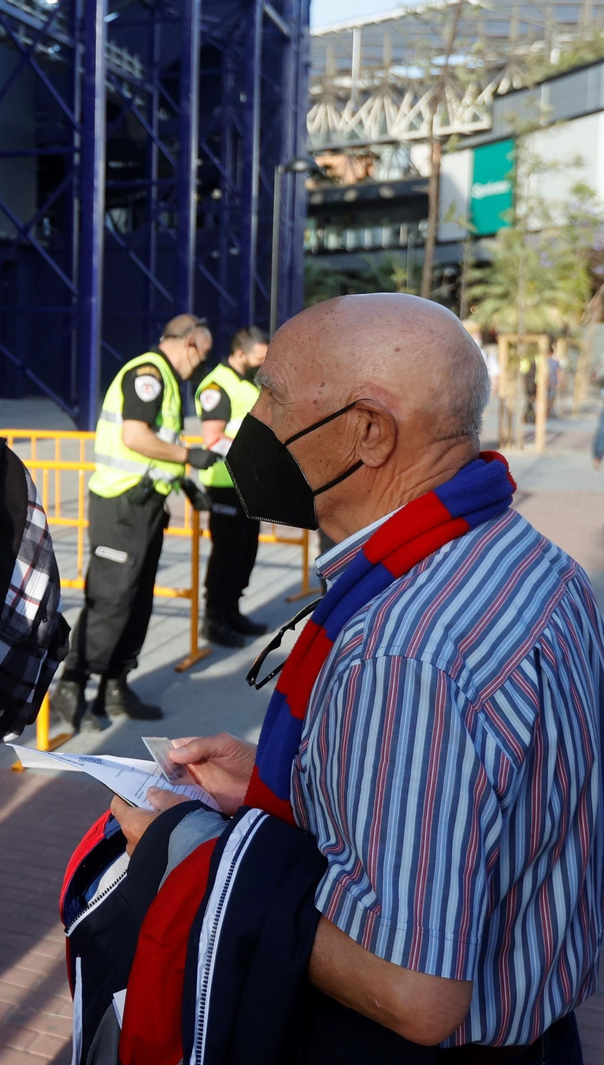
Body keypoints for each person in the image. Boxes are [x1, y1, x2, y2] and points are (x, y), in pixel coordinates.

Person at [116, 293, 602, 1055]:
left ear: (369, 431)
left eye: (273, 398)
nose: (255, 427)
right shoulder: (531, 563)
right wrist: (300, 779)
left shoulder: (405, 651)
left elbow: (413, 989)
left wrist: (189, 854)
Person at [51, 315, 220, 731]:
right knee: (111, 598)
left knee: (137, 599)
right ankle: (72, 686)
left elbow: (155, 448)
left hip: (146, 506)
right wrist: (188, 458)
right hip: (120, 506)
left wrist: (182, 483)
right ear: (188, 344)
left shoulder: (166, 380)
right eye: (202, 355)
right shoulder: (149, 374)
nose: (200, 367)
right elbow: (135, 437)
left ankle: (115, 683)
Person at [196, 325, 271, 648]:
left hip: (246, 483)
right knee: (226, 554)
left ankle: (233, 611)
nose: (262, 362)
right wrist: (251, 452)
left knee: (245, 552)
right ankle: (215, 619)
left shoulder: (244, 382)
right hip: (224, 484)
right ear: (240, 353)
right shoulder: (217, 385)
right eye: (258, 357)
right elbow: (212, 438)